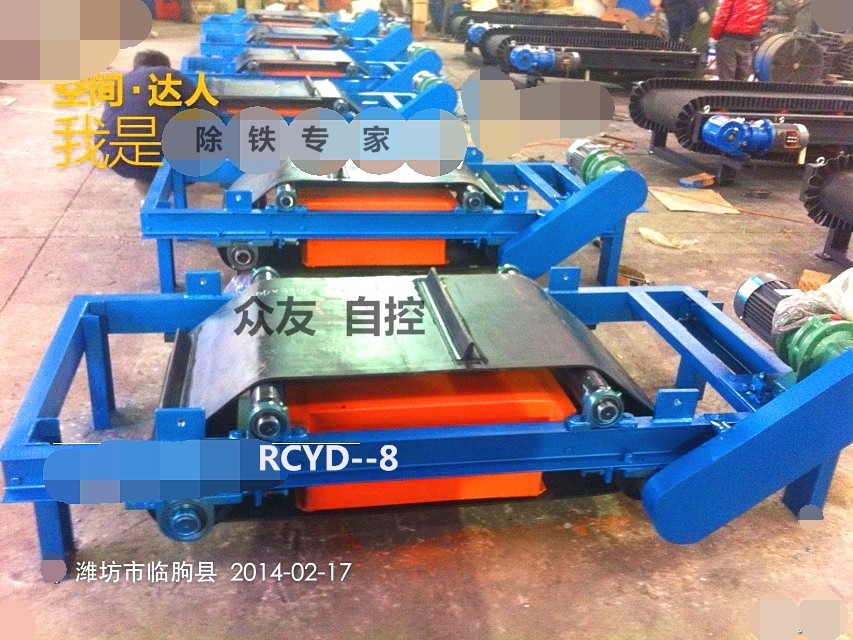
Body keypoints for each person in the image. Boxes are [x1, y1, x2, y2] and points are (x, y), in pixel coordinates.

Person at [96, 50, 218, 191]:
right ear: (165, 66)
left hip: (116, 160)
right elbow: (207, 110)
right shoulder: (170, 76)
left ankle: (148, 183)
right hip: (158, 157)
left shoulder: (118, 82)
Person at [711, 0, 769, 80]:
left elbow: (722, 16)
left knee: (726, 76)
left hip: (728, 37)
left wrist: (715, 35)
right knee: (742, 77)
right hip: (748, 39)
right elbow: (761, 17)